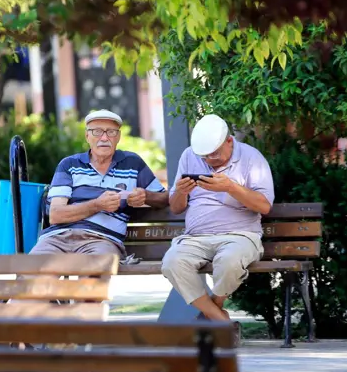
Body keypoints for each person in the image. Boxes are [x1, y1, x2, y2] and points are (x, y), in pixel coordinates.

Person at [161, 114, 275, 323]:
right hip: (195, 237)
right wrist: (180, 192)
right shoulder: (189, 156)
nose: (209, 160)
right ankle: (219, 320)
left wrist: (230, 187)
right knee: (172, 262)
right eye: (204, 157)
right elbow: (176, 208)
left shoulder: (251, 157)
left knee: (229, 260)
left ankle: (213, 311)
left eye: (214, 154)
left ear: (229, 141)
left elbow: (264, 205)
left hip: (240, 235)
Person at [30, 109, 168, 256]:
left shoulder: (132, 164)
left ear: (118, 136)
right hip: (57, 238)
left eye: (111, 132)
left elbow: (165, 198)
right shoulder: (69, 164)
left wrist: (146, 196)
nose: (104, 138)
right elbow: (56, 215)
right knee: (30, 272)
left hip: (102, 241)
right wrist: (98, 205)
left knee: (95, 272)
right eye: (97, 132)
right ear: (87, 136)